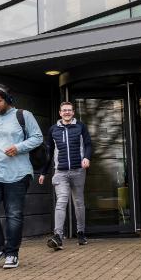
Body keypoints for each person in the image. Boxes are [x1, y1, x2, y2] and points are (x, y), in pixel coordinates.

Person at [0, 84, 43, 269]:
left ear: (8, 100)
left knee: (14, 214)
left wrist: (18, 147)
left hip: (18, 173)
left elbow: (38, 137)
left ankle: (12, 253)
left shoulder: (24, 115)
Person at [39, 101, 92, 250]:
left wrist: (86, 157)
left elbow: (88, 144)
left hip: (78, 171)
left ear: (73, 112)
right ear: (60, 113)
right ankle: (58, 236)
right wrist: (43, 172)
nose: (67, 112)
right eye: (64, 110)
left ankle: (81, 232)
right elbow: (49, 153)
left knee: (78, 203)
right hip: (60, 172)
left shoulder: (80, 126)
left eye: (69, 110)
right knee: (61, 201)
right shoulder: (53, 130)